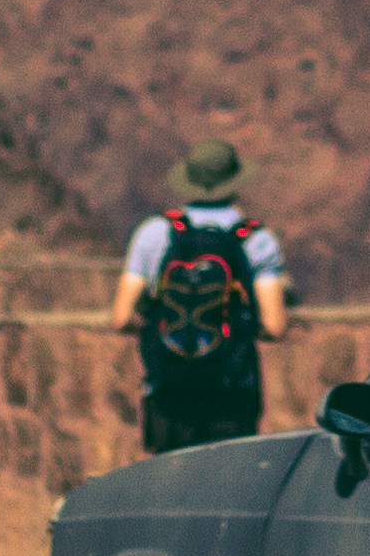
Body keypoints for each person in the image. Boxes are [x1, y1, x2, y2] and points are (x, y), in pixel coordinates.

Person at [118, 139, 294, 453]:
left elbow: (120, 317)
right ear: (235, 183)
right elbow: (275, 325)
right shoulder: (256, 239)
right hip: (232, 395)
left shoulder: (155, 232)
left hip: (168, 395)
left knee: (169, 493)